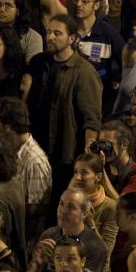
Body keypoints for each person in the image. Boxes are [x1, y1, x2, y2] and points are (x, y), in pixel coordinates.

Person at [24, 14, 102, 200]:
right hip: (36, 149)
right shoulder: (40, 63)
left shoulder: (84, 72)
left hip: (64, 156)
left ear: (72, 38)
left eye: (57, 33)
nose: (50, 37)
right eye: (48, 32)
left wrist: (86, 160)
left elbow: (92, 120)